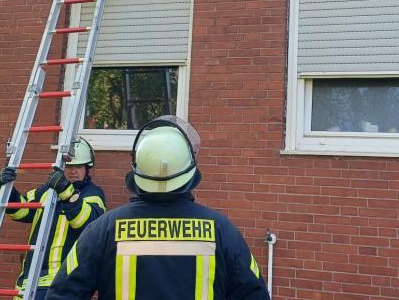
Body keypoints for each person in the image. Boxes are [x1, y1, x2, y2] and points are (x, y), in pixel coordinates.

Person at [45, 116, 271, 300]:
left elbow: (62, 294)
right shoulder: (221, 230)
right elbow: (255, 294)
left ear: (136, 170)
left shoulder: (104, 229)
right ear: (190, 173)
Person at [0, 138, 106, 299]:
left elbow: (86, 225)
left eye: (78, 166)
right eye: (69, 166)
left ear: (87, 168)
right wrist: (7, 189)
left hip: (64, 283)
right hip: (29, 280)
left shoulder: (93, 194)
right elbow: (21, 211)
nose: (73, 171)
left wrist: (67, 193)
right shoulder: (48, 190)